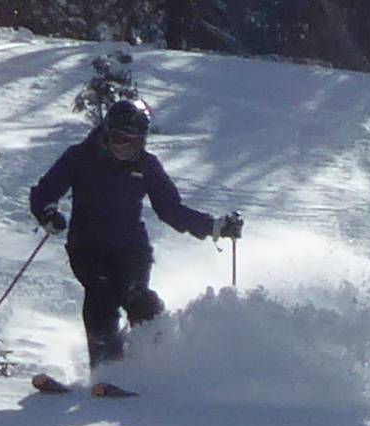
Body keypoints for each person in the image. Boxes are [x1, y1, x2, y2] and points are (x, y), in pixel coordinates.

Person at [29, 99, 243, 370]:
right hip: (87, 247)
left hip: (131, 247)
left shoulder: (147, 165)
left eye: (136, 142)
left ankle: (154, 362)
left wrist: (214, 226)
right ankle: (108, 368)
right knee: (101, 295)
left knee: (136, 296)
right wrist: (47, 214)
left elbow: (170, 208)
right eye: (121, 139)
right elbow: (44, 192)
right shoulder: (79, 158)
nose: (127, 148)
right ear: (107, 133)